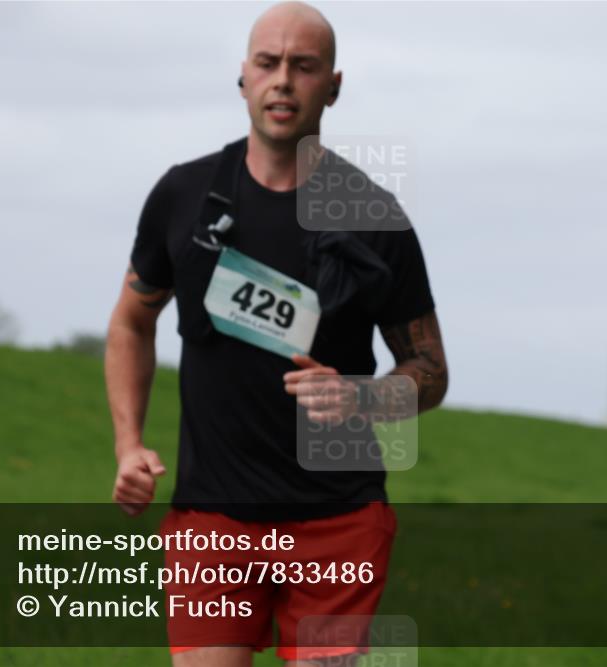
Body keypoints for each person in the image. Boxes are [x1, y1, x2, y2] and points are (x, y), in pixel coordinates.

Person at [104, 3, 448, 665]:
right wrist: (128, 444)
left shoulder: (375, 216)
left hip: (336, 519)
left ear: (334, 86)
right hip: (213, 515)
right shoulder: (186, 194)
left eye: (304, 65)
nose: (283, 80)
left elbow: (430, 369)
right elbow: (130, 320)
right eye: (268, 63)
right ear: (243, 78)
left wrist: (360, 397)